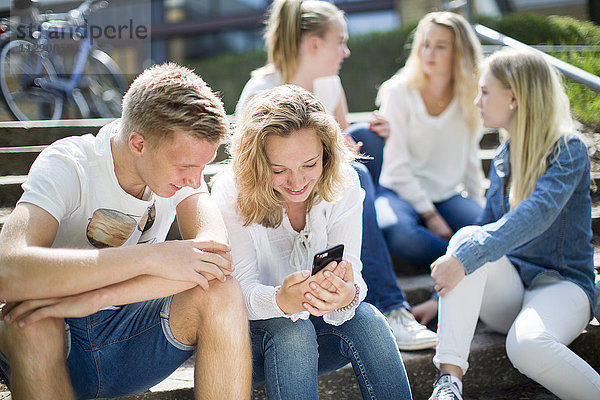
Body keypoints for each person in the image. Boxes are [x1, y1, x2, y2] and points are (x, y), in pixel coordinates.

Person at [0, 63, 252, 399]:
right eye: (186, 166)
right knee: (32, 321)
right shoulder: (70, 163)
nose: (195, 180)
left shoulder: (180, 173)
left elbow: (217, 258)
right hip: (56, 338)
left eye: (202, 166)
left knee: (222, 291)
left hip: (129, 336)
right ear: (138, 143)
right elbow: (8, 271)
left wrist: (99, 296)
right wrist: (150, 257)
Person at [236, 0, 437, 351]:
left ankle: (389, 234)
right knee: (358, 174)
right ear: (314, 44)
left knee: (366, 146)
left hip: (330, 191)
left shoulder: (329, 84)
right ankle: (392, 306)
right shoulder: (260, 90)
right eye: (339, 41)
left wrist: (377, 133)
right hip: (281, 200)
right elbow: (248, 166)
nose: (345, 51)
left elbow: (340, 149)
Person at [212, 85, 413, 400]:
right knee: (292, 330)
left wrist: (346, 294)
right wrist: (281, 300)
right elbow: (236, 296)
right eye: (279, 170)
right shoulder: (230, 192)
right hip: (249, 340)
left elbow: (353, 273)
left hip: (314, 334)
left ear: (326, 154)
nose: (297, 182)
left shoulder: (344, 183)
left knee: (369, 319)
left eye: (310, 165)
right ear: (257, 163)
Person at [428, 48, 600, 400]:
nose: (477, 101)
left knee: (527, 347)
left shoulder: (568, 150)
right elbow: (486, 224)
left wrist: (463, 259)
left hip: (562, 286)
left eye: (486, 91)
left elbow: (536, 214)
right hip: (512, 290)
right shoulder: (506, 155)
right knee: (468, 237)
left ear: (515, 97)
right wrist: (443, 295)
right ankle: (449, 384)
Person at [372, 11, 486, 325]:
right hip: (399, 191)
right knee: (400, 234)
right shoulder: (398, 92)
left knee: (485, 226)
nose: (428, 53)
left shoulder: (470, 97)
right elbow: (395, 165)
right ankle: (461, 259)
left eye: (440, 46)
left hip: (447, 194)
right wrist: (430, 216)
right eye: (425, 44)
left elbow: (471, 161)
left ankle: (459, 263)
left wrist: (480, 211)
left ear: (459, 53)